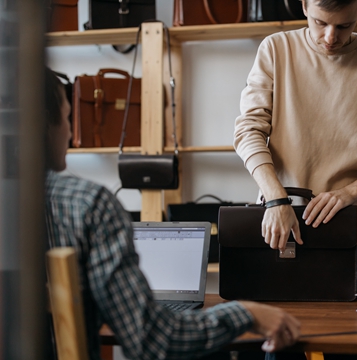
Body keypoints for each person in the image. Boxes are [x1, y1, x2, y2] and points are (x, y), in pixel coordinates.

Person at [43, 67, 301, 360]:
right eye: (66, 119)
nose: (70, 133)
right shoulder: (88, 205)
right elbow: (154, 339)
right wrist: (246, 312)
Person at [234, 0, 357, 293]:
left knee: (351, 336)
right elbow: (248, 131)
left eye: (344, 26)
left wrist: (351, 192)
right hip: (281, 223)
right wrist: (275, 198)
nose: (331, 37)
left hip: (348, 235)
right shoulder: (275, 49)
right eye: (321, 23)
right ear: (305, 5)